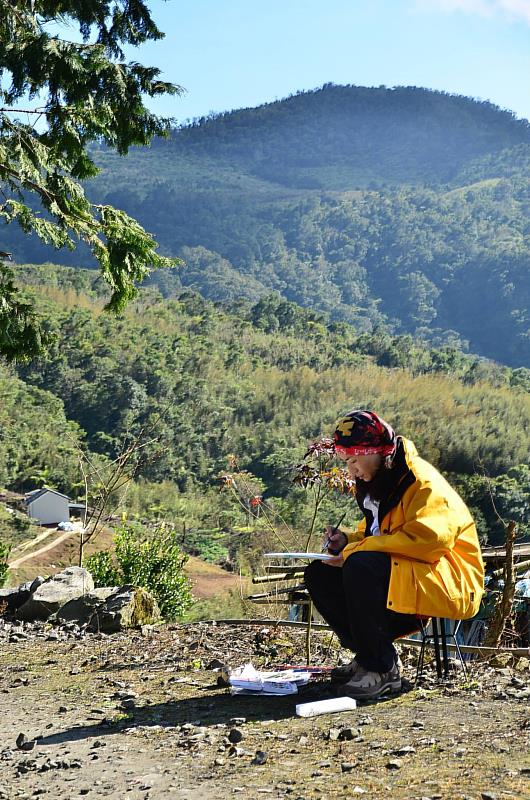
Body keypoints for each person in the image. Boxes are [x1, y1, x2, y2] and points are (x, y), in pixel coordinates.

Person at [304, 410, 484, 700]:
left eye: (353, 460)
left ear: (374, 452)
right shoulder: (381, 480)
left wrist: (357, 549)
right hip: (408, 574)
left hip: (445, 578)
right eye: (346, 462)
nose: (351, 471)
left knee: (361, 564)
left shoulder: (422, 483)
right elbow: (375, 534)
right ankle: (368, 656)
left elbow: (429, 541)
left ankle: (382, 669)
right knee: (319, 573)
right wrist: (347, 540)